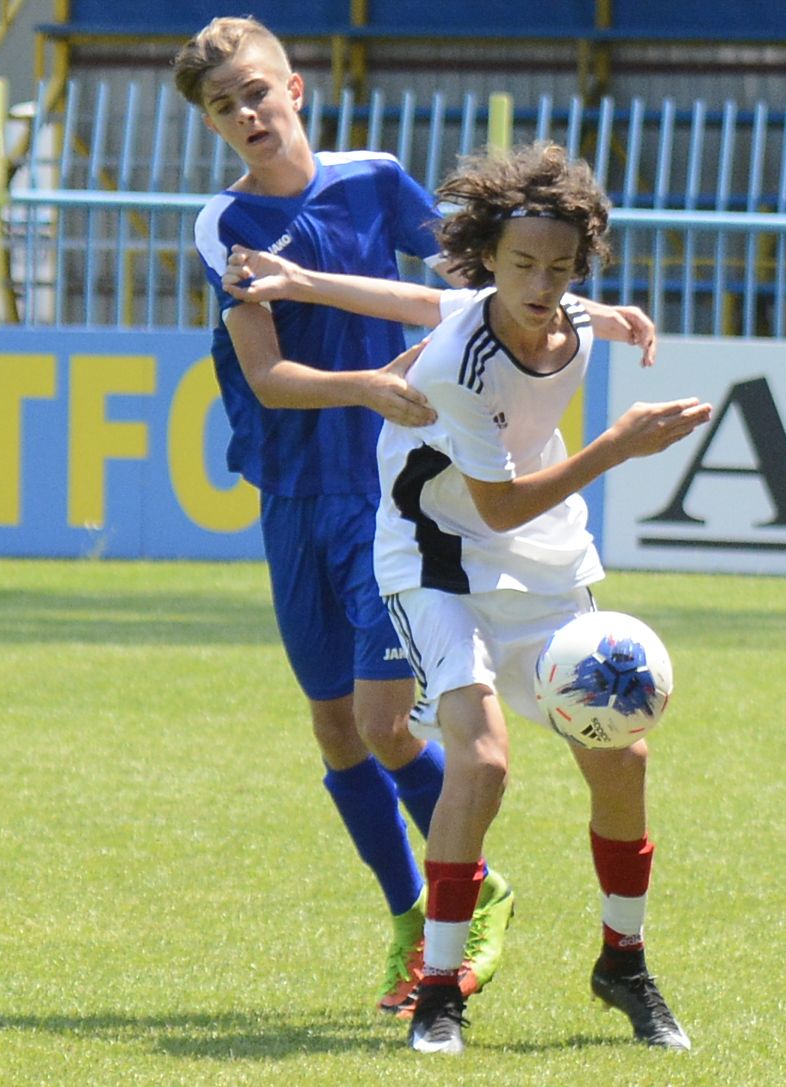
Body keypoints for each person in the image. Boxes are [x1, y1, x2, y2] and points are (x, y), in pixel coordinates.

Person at [170, 16, 659, 1019]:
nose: (247, 114)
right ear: (212, 125)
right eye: (225, 107)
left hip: (392, 495)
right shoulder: (224, 225)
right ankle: (419, 911)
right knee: (335, 728)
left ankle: (459, 905)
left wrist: (581, 313)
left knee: (385, 722)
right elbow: (267, 379)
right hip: (295, 487)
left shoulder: (372, 178)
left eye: (257, 91)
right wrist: (363, 382)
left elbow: (479, 280)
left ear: (294, 87)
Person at [241, 140, 708, 1054]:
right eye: (523, 263)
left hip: (542, 558)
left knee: (624, 756)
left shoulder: (563, 309)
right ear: (489, 254)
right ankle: (442, 990)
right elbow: (494, 501)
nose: (542, 283)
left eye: (561, 267)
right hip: (437, 558)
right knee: (482, 762)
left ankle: (624, 961)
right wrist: (617, 445)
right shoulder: (465, 363)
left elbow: (424, 297)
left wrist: (610, 318)